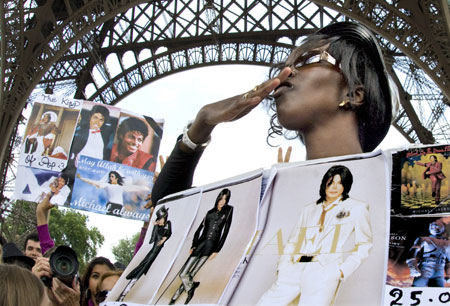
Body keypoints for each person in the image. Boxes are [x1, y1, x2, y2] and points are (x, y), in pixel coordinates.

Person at [257, 165, 372, 305]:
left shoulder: (357, 208)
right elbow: (294, 240)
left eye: (340, 183)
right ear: (324, 183)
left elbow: (364, 244)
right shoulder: (309, 209)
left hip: (324, 272)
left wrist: (341, 271)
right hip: (295, 268)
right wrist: (283, 266)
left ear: (346, 186)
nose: (335, 187)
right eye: (331, 182)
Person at [169, 188, 233, 305]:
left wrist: (217, 250)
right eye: (221, 198)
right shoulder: (209, 212)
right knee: (183, 273)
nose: (223, 201)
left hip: (211, 246)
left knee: (192, 273)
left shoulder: (229, 210)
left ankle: (175, 297)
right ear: (218, 197)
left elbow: (225, 232)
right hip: (200, 244)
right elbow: (199, 230)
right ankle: (192, 287)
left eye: (225, 199)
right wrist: (193, 245)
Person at [118, 206, 172, 301]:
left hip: (159, 253)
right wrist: (150, 225)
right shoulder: (156, 226)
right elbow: (143, 244)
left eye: (162, 218)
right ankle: (127, 289)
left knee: (144, 267)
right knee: (142, 266)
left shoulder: (168, 224)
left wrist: (162, 240)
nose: (160, 220)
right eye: (159, 218)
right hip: (153, 251)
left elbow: (168, 234)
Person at [76, 171, 150, 217]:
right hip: (111, 205)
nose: (111, 178)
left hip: (119, 206)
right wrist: (82, 178)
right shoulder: (108, 185)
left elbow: (135, 188)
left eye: (112, 176)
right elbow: (94, 182)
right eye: (110, 176)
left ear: (117, 178)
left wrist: (147, 188)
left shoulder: (121, 187)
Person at [406, 220, 450, 287]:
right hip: (425, 268)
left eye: (437, 226)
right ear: (430, 228)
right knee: (417, 290)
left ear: (442, 228)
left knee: (437, 293)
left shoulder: (447, 243)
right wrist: (413, 266)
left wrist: (448, 274)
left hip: (439, 270)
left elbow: (449, 261)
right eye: (433, 226)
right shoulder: (424, 239)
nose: (435, 228)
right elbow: (413, 251)